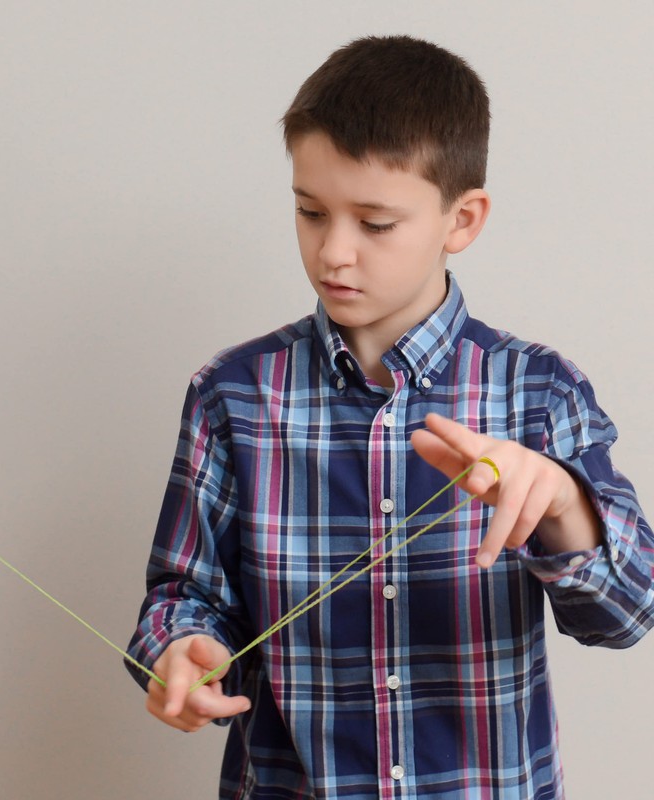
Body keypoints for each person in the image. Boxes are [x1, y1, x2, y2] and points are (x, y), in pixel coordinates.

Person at [126, 35, 654, 799]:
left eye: (375, 224)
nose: (333, 252)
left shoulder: (538, 391)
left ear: (462, 220)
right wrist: (182, 650)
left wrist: (563, 504)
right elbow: (182, 595)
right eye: (311, 212)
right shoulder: (232, 394)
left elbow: (628, 613)